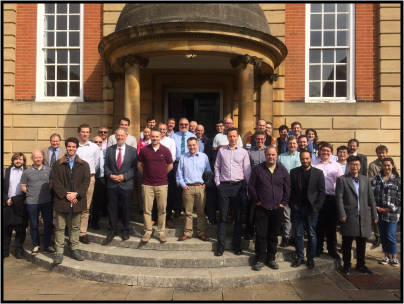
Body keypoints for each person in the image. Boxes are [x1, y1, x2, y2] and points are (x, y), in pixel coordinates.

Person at [248, 146, 291, 270]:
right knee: (261, 235)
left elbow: (287, 188)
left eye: (273, 155)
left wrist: (283, 202)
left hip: (277, 208)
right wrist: (258, 200)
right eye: (268, 155)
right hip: (262, 208)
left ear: (276, 155)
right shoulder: (258, 169)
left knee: (273, 235)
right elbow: (251, 186)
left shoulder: (282, 170)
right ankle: (260, 259)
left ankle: (271, 258)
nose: (271, 157)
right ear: (265, 155)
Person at [51, 137, 91, 264]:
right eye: (69, 146)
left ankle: (74, 249)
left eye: (74, 147)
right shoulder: (57, 164)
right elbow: (55, 182)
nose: (71, 149)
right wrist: (66, 194)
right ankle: (59, 252)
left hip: (77, 201)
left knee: (75, 227)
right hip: (62, 200)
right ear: (66, 147)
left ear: (77, 148)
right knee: (60, 227)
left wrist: (76, 194)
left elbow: (86, 182)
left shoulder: (84, 164)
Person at [336, 156, 378, 275]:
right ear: (348, 166)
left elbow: (371, 198)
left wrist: (374, 215)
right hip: (348, 215)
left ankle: (361, 264)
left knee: (361, 243)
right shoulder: (342, 179)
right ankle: (347, 264)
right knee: (347, 243)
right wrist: (342, 213)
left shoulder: (365, 180)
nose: (355, 166)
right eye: (352, 164)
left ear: (360, 166)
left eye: (357, 164)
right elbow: (339, 198)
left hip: (364, 215)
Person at [214, 128, 251, 256]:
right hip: (224, 186)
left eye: (234, 136)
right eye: (230, 136)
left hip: (238, 187)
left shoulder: (243, 152)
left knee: (238, 217)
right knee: (223, 217)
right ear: (227, 137)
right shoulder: (221, 151)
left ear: (238, 137)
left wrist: (249, 188)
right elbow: (217, 167)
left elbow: (247, 171)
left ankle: (237, 244)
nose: (232, 138)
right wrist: (218, 183)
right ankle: (221, 245)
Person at [289, 150, 325, 269]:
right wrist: (292, 204)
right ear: (300, 159)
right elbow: (291, 190)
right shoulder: (294, 172)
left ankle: (310, 258)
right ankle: (300, 257)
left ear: (310, 159)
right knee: (298, 234)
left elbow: (321, 192)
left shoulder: (318, 173)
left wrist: (317, 207)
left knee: (312, 234)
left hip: (311, 209)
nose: (305, 161)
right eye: (303, 159)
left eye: (307, 158)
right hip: (297, 209)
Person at [138, 128, 173, 243]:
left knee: (162, 210)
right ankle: (148, 232)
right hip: (147, 184)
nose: (154, 138)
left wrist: (161, 175)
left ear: (160, 136)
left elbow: (170, 166)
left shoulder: (165, 150)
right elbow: (139, 165)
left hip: (162, 185)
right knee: (147, 210)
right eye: (153, 136)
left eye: (157, 136)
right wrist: (147, 175)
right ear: (150, 137)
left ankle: (161, 233)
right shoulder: (144, 150)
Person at [312, 142, 344, 259]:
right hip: (318, 199)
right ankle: (318, 248)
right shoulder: (313, 164)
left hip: (331, 199)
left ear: (331, 152)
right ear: (319, 151)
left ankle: (332, 249)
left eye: (328, 151)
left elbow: (340, 184)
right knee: (318, 225)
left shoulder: (336, 165)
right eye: (323, 150)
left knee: (331, 226)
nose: (325, 152)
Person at [104, 128, 138, 241]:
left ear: (126, 137)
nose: (120, 137)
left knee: (125, 209)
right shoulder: (109, 150)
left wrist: (124, 176)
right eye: (118, 135)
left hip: (126, 184)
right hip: (112, 184)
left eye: (122, 135)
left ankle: (125, 230)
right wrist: (111, 175)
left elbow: (134, 168)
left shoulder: (132, 150)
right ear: (115, 137)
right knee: (113, 209)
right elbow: (105, 166)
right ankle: (112, 230)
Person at [176, 137, 212, 241]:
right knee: (188, 212)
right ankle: (187, 233)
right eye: (190, 145)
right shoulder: (183, 157)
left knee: (201, 212)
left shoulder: (204, 157)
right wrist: (183, 185)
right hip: (188, 188)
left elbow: (209, 172)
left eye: (193, 145)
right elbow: (179, 174)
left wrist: (206, 184)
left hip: (200, 187)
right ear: (187, 146)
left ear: (197, 145)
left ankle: (201, 232)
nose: (192, 147)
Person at [20, 150, 54, 255]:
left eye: (40, 157)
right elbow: (23, 186)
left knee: (48, 224)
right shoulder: (26, 172)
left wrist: (44, 193)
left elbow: (51, 184)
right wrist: (30, 194)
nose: (38, 159)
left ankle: (47, 245)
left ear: (42, 157)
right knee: (34, 225)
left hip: (46, 201)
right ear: (32, 159)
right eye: (36, 157)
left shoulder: (49, 170)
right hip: (32, 202)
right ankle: (36, 245)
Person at [372, 158, 401, 268]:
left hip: (392, 213)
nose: (386, 167)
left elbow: (399, 197)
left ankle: (394, 257)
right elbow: (372, 194)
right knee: (383, 234)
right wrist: (375, 207)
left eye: (388, 165)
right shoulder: (376, 178)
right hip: (379, 212)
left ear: (392, 166)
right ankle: (386, 255)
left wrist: (388, 209)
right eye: (384, 165)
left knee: (390, 234)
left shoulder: (398, 180)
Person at [76, 123, 101, 244]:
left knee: (86, 207)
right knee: (74, 206)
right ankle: (73, 232)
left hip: (90, 179)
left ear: (89, 133)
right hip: (76, 179)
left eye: (87, 132)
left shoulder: (94, 147)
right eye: (83, 132)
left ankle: (82, 233)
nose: (85, 134)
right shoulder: (74, 146)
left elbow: (96, 163)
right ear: (79, 133)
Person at [277, 135, 301, 247]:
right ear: (287, 145)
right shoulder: (281, 157)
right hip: (284, 190)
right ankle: (286, 237)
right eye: (290, 143)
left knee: (296, 215)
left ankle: (295, 237)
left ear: (297, 145)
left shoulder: (302, 156)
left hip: (298, 190)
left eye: (294, 143)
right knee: (286, 215)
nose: (292, 145)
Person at [3, 153, 28, 259]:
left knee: (20, 228)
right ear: (13, 160)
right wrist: (5, 199)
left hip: (21, 204)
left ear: (24, 161)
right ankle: (5, 250)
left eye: (20, 159)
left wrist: (27, 198)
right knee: (6, 228)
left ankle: (18, 250)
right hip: (7, 203)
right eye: (16, 159)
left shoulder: (27, 172)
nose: (18, 161)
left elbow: (31, 187)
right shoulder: (5, 171)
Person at [171, 118, 197, 218]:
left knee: (188, 185)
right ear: (179, 125)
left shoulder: (192, 136)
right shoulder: (174, 135)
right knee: (177, 186)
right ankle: (177, 209)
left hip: (188, 162)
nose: (184, 126)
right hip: (177, 162)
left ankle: (188, 209)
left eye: (186, 124)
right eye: (182, 124)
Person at [245, 130, 267, 240]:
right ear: (254, 139)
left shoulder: (268, 151)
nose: (259, 140)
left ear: (265, 139)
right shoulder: (248, 152)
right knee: (251, 210)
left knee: (264, 209)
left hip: (265, 185)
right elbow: (247, 169)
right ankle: (249, 230)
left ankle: (261, 232)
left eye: (261, 138)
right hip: (253, 184)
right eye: (257, 138)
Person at [368, 145, 388, 246]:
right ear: (377, 153)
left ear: (386, 153)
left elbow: (395, 176)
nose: (381, 154)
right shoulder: (372, 165)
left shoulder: (390, 163)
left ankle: (386, 234)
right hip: (377, 193)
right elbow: (371, 179)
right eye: (379, 153)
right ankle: (378, 235)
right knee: (376, 214)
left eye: (383, 152)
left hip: (388, 194)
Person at [159, 122, 176, 228]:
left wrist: (164, 165)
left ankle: (168, 218)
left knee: (168, 195)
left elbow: (173, 156)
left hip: (167, 170)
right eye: (160, 129)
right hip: (154, 172)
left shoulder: (171, 141)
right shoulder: (153, 140)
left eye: (164, 129)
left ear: (166, 130)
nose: (162, 131)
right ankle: (155, 218)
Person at [90, 136, 107, 230]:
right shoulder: (89, 152)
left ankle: (95, 222)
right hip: (89, 178)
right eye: (96, 141)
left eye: (100, 142)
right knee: (87, 202)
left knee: (97, 202)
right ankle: (87, 220)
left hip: (100, 179)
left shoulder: (105, 153)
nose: (98, 143)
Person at [136, 127, 151, 215]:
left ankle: (150, 207)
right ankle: (142, 207)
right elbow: (139, 153)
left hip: (151, 168)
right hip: (141, 167)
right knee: (140, 187)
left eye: (148, 132)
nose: (147, 134)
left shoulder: (154, 142)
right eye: (145, 132)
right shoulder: (141, 142)